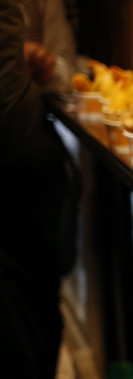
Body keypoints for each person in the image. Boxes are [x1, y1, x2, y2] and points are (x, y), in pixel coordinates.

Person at [0, 0, 78, 376]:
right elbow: (9, 120)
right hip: (19, 174)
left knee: (37, 312)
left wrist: (46, 64)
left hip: (31, 181)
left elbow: (67, 72)